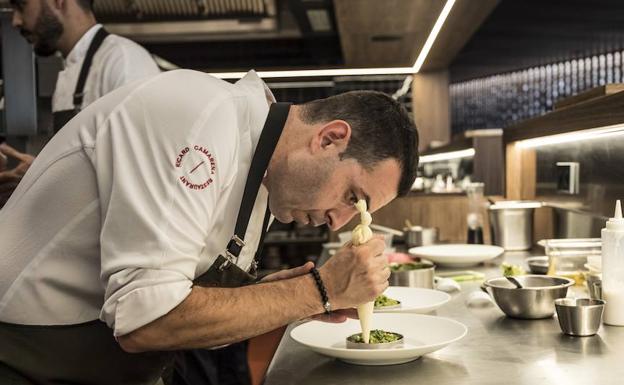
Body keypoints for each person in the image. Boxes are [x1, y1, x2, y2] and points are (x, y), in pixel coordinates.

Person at [0, 69, 419, 384]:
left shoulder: (264, 181)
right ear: (329, 139)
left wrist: (276, 297)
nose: (338, 223)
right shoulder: (199, 117)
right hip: (24, 359)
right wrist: (316, 292)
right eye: (352, 197)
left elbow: (183, 305)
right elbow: (147, 319)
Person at [1, 0, 161, 199]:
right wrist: (38, 177)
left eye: (22, 7)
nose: (15, 21)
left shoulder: (122, 61)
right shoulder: (67, 75)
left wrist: (45, 179)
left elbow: (139, 173)